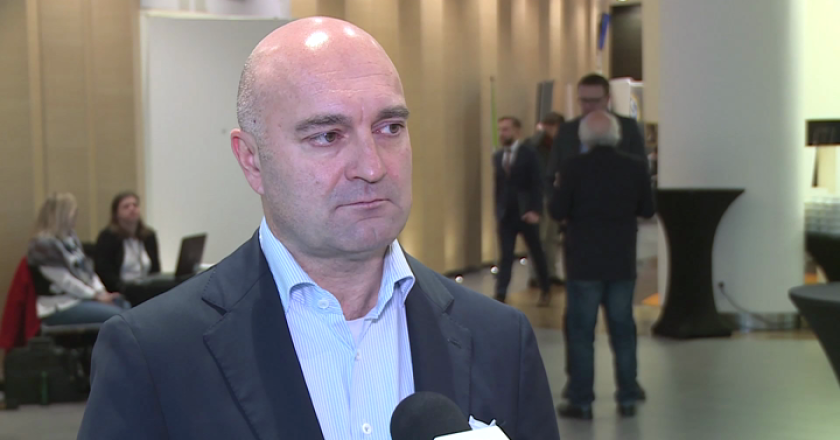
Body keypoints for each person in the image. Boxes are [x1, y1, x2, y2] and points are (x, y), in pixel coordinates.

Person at [78, 18, 560, 440]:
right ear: (252, 161)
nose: (372, 167)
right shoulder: (155, 353)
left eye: (390, 128)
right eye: (327, 135)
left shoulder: (500, 340)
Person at [550, 110, 655, 420]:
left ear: (584, 137)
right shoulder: (635, 166)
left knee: (581, 333)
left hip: (583, 261)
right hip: (621, 259)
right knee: (623, 330)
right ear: (617, 135)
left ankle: (581, 400)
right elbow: (648, 209)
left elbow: (557, 210)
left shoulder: (573, 167)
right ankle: (628, 395)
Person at [27, 193, 127, 325]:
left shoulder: (70, 238)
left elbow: (88, 271)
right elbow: (66, 281)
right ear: (61, 215)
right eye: (73, 213)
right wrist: (95, 296)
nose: (76, 217)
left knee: (124, 305)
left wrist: (101, 292)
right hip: (61, 305)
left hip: (82, 299)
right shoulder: (42, 245)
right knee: (120, 316)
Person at [545, 73, 647, 187]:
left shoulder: (628, 128)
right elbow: (551, 175)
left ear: (607, 99)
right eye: (584, 100)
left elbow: (642, 171)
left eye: (595, 101)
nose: (589, 106)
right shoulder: (566, 131)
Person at [493, 116, 552, 307]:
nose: (502, 133)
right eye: (500, 129)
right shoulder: (498, 156)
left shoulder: (530, 154)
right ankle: (501, 294)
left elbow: (537, 184)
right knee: (506, 256)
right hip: (506, 215)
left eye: (506, 129)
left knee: (536, 252)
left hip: (526, 213)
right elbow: (498, 187)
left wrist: (535, 210)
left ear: (517, 131)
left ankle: (545, 289)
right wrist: (498, 211)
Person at [525, 112, 566, 289]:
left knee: (552, 238)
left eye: (554, 126)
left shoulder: (562, 145)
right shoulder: (534, 144)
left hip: (554, 195)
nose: (551, 129)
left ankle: (551, 272)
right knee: (538, 238)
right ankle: (536, 275)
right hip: (538, 196)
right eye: (548, 125)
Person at [94, 191, 161, 292]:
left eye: (135, 205)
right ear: (116, 213)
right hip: (120, 290)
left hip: (147, 289)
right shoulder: (108, 237)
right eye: (126, 206)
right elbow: (104, 272)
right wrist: (124, 289)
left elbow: (156, 270)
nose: (132, 208)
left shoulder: (149, 236)